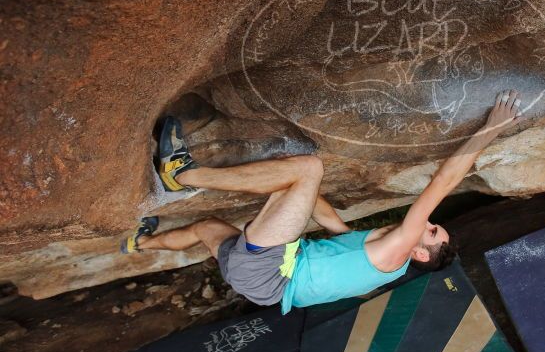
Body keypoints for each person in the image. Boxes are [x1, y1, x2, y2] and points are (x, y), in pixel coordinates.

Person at [121, 90, 524, 314]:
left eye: (432, 230)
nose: (428, 223)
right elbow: (332, 226)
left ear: (419, 252)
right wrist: (295, 188)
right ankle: (139, 243)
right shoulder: (382, 257)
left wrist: (492, 129)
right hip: (260, 286)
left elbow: (444, 180)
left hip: (269, 275)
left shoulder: (397, 248)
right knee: (205, 227)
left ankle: (182, 175)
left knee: (309, 168)